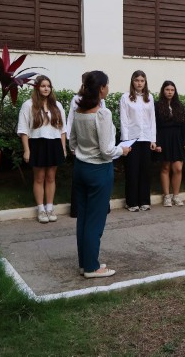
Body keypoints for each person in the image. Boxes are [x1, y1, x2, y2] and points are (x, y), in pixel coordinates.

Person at [70, 70, 130, 278]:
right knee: (95, 220)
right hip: (98, 170)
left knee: (84, 218)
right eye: (107, 85)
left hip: (80, 168)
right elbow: (106, 150)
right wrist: (121, 150)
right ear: (102, 88)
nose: (108, 88)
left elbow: (72, 142)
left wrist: (85, 151)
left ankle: (85, 262)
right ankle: (91, 267)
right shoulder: (102, 114)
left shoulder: (78, 111)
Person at [17, 75, 67, 224]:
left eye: (48, 86)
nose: (46, 88)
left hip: (54, 144)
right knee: (39, 177)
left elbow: (62, 130)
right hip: (37, 144)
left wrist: (63, 148)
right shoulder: (28, 105)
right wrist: (27, 150)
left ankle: (49, 208)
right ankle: (41, 209)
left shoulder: (57, 105)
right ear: (37, 87)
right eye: (43, 86)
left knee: (51, 177)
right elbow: (23, 129)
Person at [65, 72, 107, 218]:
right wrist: (121, 150)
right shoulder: (78, 101)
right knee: (92, 213)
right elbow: (71, 121)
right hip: (92, 159)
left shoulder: (100, 104)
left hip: (88, 155)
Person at [120, 70, 157, 212]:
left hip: (146, 138)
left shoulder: (149, 98)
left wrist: (153, 139)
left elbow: (152, 120)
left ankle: (144, 201)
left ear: (145, 82)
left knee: (145, 171)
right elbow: (124, 120)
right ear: (132, 82)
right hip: (131, 139)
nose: (139, 83)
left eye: (142, 81)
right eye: (137, 80)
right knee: (132, 171)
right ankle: (131, 202)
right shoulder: (125, 98)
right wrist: (126, 142)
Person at [154, 80, 185, 207]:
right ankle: (167, 196)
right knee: (165, 167)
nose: (170, 92)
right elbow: (154, 125)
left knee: (178, 168)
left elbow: (183, 125)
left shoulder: (179, 105)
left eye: (172, 90)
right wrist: (157, 142)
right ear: (163, 91)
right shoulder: (157, 105)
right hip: (164, 139)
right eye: (167, 90)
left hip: (177, 139)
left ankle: (176, 195)